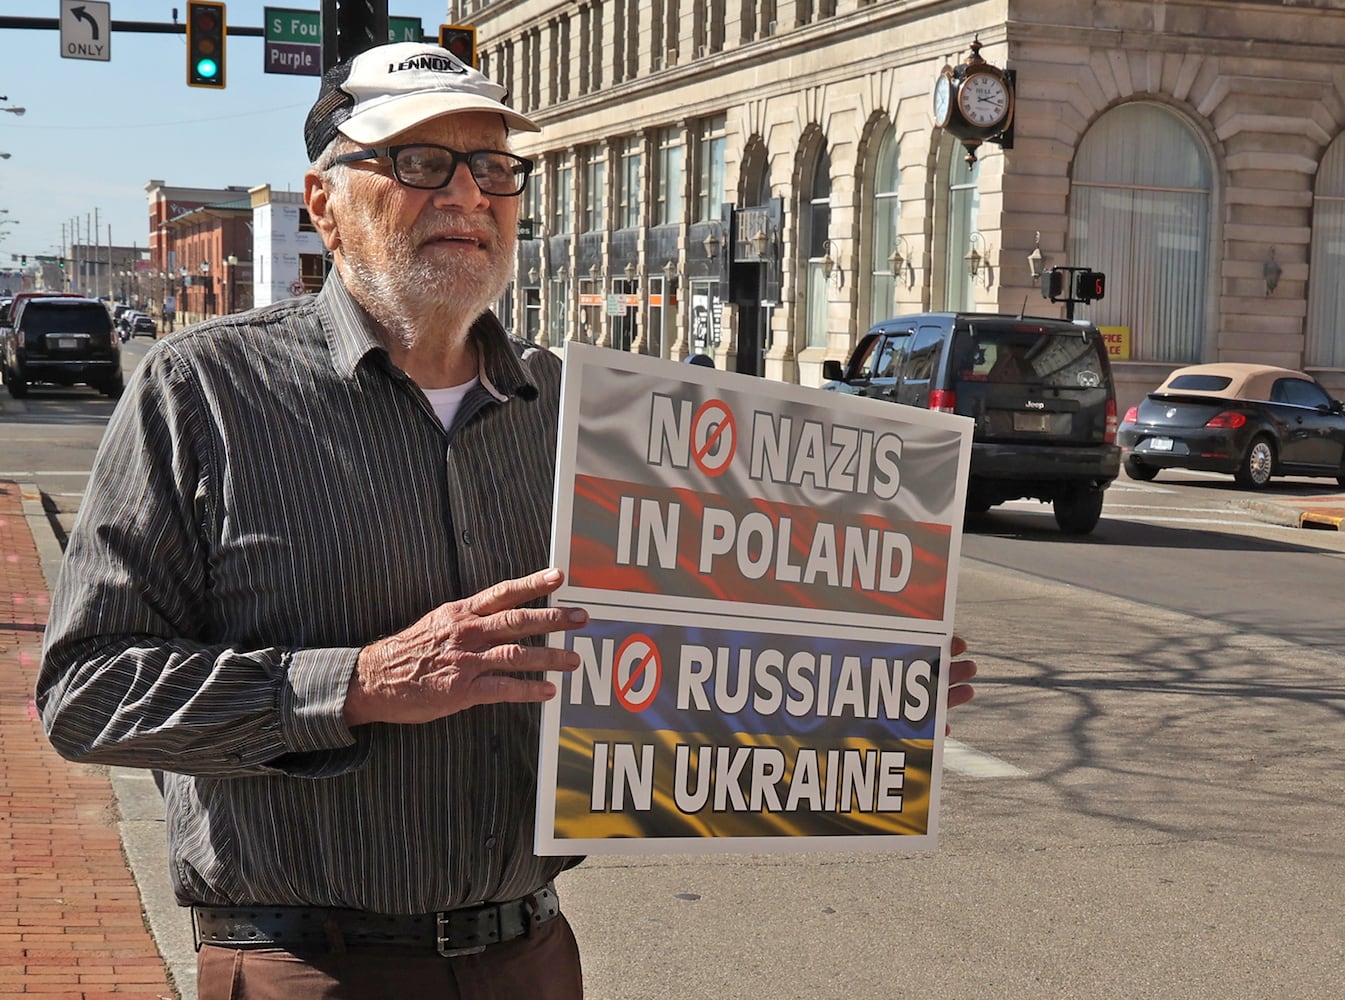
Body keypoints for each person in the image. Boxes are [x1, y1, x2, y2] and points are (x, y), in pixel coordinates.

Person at [36, 41, 976, 998]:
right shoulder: (202, 392)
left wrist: (863, 692)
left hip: (527, 957)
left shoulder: (591, 417)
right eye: (417, 162)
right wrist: (358, 683)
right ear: (322, 203)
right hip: (307, 966)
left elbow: (686, 667)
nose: (465, 196)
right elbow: (84, 693)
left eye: (492, 168)